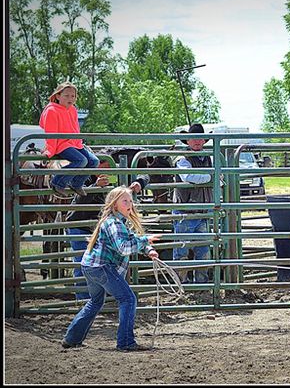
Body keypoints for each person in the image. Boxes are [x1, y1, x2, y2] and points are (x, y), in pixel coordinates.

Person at [61, 186, 161, 351]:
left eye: (130, 200)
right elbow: (123, 247)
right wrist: (144, 241)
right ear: (115, 205)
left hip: (91, 266)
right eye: (125, 201)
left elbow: (130, 238)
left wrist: (147, 248)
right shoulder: (114, 223)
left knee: (95, 302)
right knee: (128, 299)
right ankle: (126, 342)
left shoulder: (114, 221)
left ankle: (72, 338)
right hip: (102, 267)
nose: (130, 203)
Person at [65, 163, 149, 300]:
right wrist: (94, 187)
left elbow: (145, 174)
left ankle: (101, 298)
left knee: (105, 263)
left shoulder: (117, 177)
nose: (104, 170)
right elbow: (78, 200)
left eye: (107, 167)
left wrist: (139, 182)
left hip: (104, 229)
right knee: (83, 262)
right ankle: (83, 298)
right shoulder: (85, 177)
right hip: (81, 225)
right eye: (100, 167)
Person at [39, 81, 100, 197]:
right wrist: (50, 150)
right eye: (66, 95)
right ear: (58, 96)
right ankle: (57, 182)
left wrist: (79, 142)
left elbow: (75, 128)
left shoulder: (73, 110)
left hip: (74, 143)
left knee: (94, 161)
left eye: (73, 96)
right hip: (61, 144)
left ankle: (76, 184)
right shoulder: (51, 110)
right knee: (81, 160)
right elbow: (50, 133)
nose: (70, 98)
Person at [172, 123, 214, 284]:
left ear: (204, 140)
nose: (196, 141)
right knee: (182, 250)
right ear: (187, 141)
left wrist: (212, 177)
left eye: (199, 138)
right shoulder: (182, 158)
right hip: (185, 211)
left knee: (203, 251)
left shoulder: (208, 157)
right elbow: (189, 177)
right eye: (193, 138)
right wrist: (211, 177)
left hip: (202, 211)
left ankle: (201, 285)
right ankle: (181, 284)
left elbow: (221, 178)